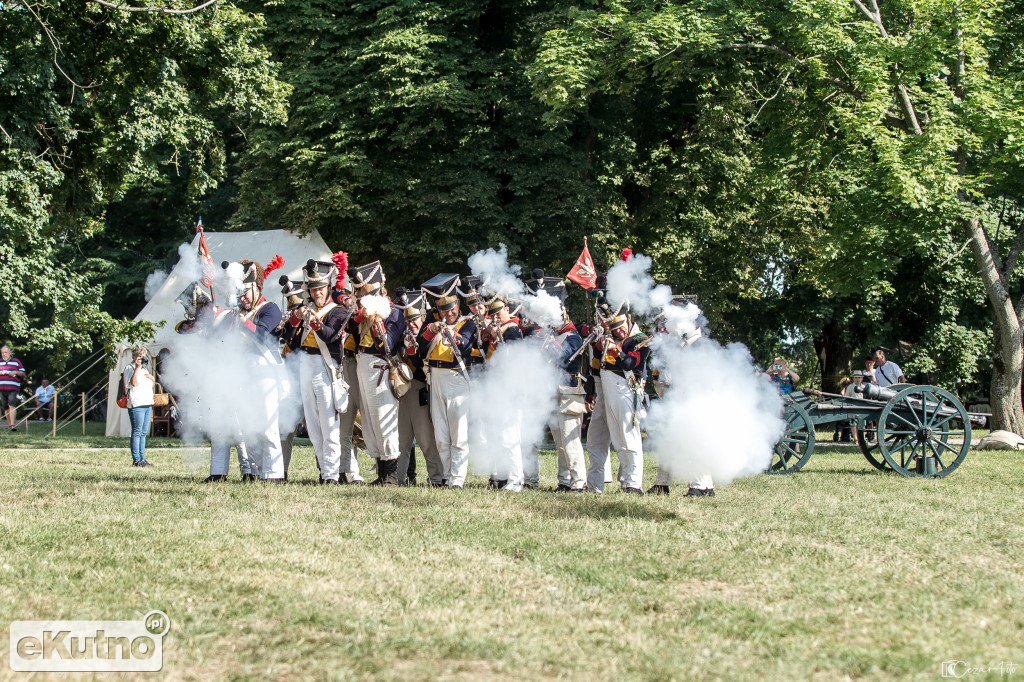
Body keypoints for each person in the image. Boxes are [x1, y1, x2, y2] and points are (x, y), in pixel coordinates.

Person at [281, 259, 350, 484]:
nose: (317, 293)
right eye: (314, 289)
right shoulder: (307, 309)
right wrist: (297, 317)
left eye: (320, 288)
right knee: (312, 425)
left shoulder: (338, 311)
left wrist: (315, 322)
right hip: (304, 365)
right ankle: (324, 471)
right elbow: (287, 336)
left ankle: (332, 474)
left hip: (324, 366)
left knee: (329, 424)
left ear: (328, 288)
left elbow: (330, 336)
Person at [347, 265, 406, 487]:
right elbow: (350, 329)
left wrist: (377, 322)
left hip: (381, 369)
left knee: (384, 421)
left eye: (367, 294)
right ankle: (381, 473)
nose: (363, 298)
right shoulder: (362, 314)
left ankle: (391, 476)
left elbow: (388, 346)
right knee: (371, 424)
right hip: (363, 367)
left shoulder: (395, 314)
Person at [417, 293, 477, 489]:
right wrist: (432, 329)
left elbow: (466, 345)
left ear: (458, 306)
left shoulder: (467, 323)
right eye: (444, 309)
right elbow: (421, 347)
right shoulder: (432, 323)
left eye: (452, 308)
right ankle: (447, 474)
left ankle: (457, 479)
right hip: (435, 378)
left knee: (458, 433)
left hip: (456, 378)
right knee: (441, 434)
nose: (448, 313)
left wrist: (449, 331)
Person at [587, 314, 649, 494]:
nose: (619, 331)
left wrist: (615, 350)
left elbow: (630, 363)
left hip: (624, 391)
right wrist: (597, 344)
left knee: (627, 439)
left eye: (621, 327)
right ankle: (594, 484)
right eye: (615, 329)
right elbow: (597, 365)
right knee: (595, 439)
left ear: (629, 322)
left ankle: (632, 484)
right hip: (605, 391)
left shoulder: (640, 339)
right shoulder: (611, 338)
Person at [395, 297, 444, 486]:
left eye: (415, 319)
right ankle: (398, 478)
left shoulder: (428, 338)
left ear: (423, 318)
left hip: (420, 390)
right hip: (403, 392)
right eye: (408, 320)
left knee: (426, 440)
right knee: (402, 441)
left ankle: (436, 478)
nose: (412, 323)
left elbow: (420, 368)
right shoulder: (403, 337)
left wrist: (412, 349)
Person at [123, 347, 155, 467]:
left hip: (147, 402)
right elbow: (132, 383)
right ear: (134, 357)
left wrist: (152, 378)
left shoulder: (144, 369)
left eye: (143, 356)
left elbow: (148, 384)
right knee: (136, 431)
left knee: (143, 432)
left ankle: (142, 458)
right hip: (136, 403)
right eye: (139, 356)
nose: (142, 359)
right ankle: (136, 459)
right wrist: (137, 367)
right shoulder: (129, 368)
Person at [0, 345, 26, 431]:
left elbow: (23, 374)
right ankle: (10, 425)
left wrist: (15, 372)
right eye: (2, 352)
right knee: (5, 408)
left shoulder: (16, 361)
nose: (4, 354)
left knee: (11, 405)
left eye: (5, 352)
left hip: (13, 388)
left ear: (10, 353)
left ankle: (12, 425)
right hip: (2, 388)